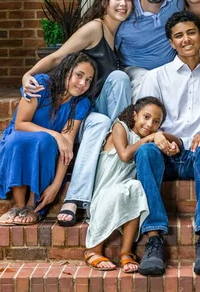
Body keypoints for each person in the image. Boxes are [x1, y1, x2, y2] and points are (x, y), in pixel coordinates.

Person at [134, 11, 200, 276]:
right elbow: (143, 123)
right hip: (164, 153)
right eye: (178, 36)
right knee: (146, 151)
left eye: (191, 33)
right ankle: (154, 237)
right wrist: (157, 136)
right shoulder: (156, 77)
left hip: (198, 154)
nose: (186, 39)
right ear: (171, 42)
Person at [21, 0, 134, 227]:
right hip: (76, 111)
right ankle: (75, 197)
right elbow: (59, 57)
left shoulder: (120, 35)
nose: (123, 4)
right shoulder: (94, 28)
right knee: (117, 79)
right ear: (104, 2)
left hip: (94, 113)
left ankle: (79, 193)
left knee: (101, 119)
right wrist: (28, 74)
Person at [0, 53, 96, 225]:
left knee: (45, 141)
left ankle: (33, 206)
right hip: (19, 141)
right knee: (27, 139)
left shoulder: (80, 103)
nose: (82, 84)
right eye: (79, 75)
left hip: (46, 149)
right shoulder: (41, 84)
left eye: (88, 80)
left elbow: (67, 146)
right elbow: (20, 123)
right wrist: (56, 134)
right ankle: (18, 205)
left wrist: (56, 186)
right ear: (67, 71)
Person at [84, 97, 176, 273]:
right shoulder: (121, 127)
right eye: (146, 117)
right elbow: (125, 155)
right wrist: (151, 137)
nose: (149, 124)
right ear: (135, 115)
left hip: (126, 193)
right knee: (133, 188)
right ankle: (94, 250)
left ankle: (126, 252)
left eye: (156, 122)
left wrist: (159, 136)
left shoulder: (150, 140)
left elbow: (177, 141)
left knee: (136, 188)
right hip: (103, 195)